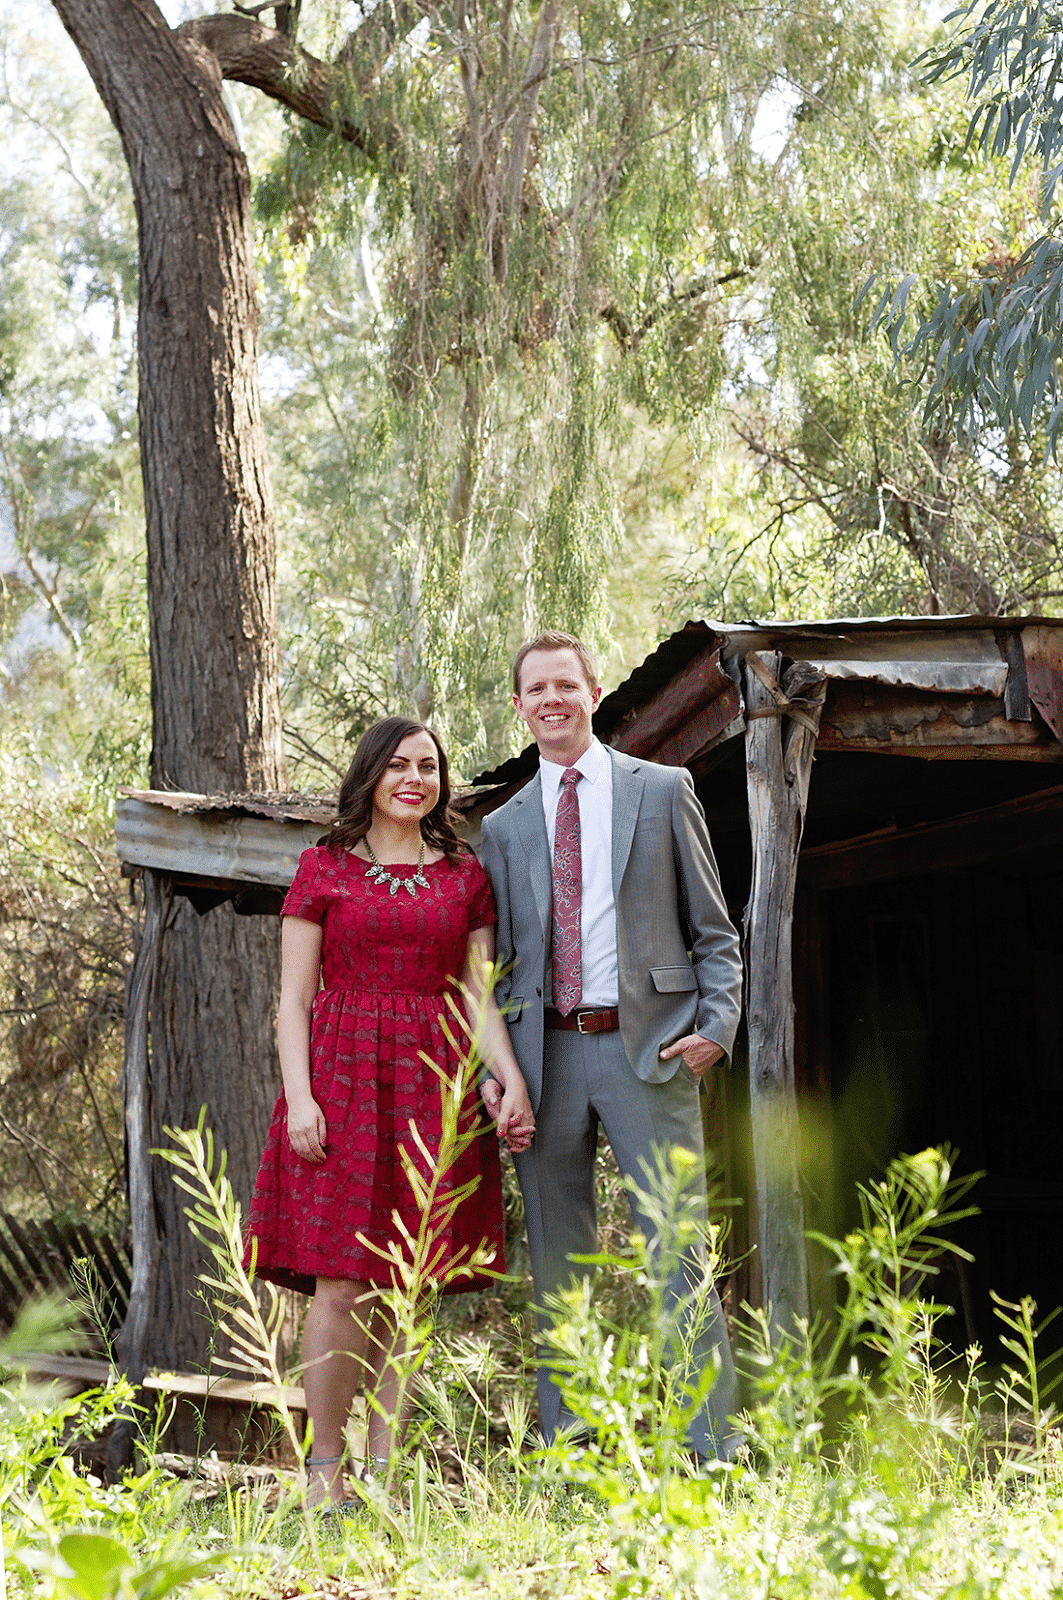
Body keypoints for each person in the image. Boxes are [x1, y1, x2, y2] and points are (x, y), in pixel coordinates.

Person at [244, 717, 535, 1507]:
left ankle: (383, 1473)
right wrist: (300, 1097)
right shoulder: (323, 867)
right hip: (338, 1086)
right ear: (370, 774)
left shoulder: (463, 877)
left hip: (433, 1091)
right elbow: (293, 1000)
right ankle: (323, 1473)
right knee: (341, 1284)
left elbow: (480, 997)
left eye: (428, 766)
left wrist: (506, 1078)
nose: (415, 777)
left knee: (409, 1285)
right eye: (399, 765)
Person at [479, 630, 743, 1460]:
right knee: (559, 1265)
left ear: (593, 693)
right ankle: (572, 1453)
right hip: (543, 1063)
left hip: (650, 1053)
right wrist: (500, 1078)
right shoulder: (503, 825)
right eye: (535, 689)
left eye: (566, 684)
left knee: (679, 1253)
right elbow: (494, 971)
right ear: (519, 707)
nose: (551, 700)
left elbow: (714, 932)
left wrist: (714, 1028)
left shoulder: (660, 791)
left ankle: (713, 1453)